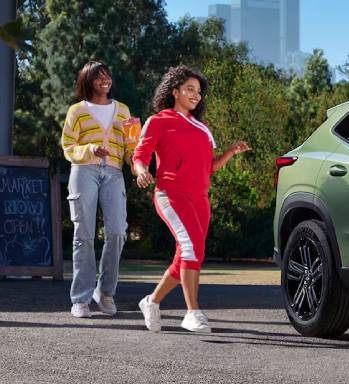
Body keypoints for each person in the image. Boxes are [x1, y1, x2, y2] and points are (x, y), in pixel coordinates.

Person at [132, 66, 251, 333]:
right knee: (191, 249)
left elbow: (209, 168)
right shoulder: (159, 121)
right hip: (171, 195)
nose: (196, 95)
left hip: (199, 198)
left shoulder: (202, 128)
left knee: (188, 254)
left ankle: (152, 301)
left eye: (198, 91)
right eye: (189, 89)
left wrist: (230, 152)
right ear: (174, 92)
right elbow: (139, 155)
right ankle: (192, 312)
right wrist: (141, 171)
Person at [61, 61, 138, 318]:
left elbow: (131, 147)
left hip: (114, 173)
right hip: (84, 171)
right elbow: (68, 147)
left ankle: (104, 292)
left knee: (117, 232)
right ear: (88, 81)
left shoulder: (123, 110)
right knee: (84, 234)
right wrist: (90, 149)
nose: (105, 80)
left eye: (107, 76)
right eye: (98, 77)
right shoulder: (77, 111)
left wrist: (137, 165)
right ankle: (80, 299)